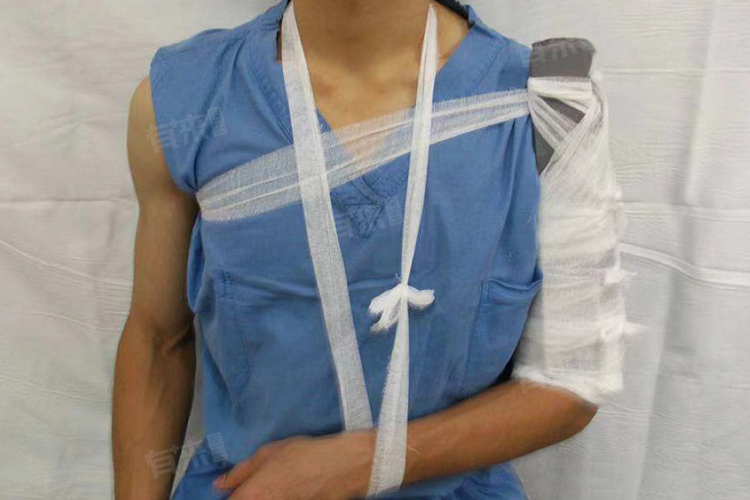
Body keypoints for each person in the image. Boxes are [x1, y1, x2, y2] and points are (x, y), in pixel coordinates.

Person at [113, 1, 621, 499]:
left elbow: (571, 384)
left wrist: (364, 465)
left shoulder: (549, 108)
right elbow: (158, 342)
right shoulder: (187, 100)